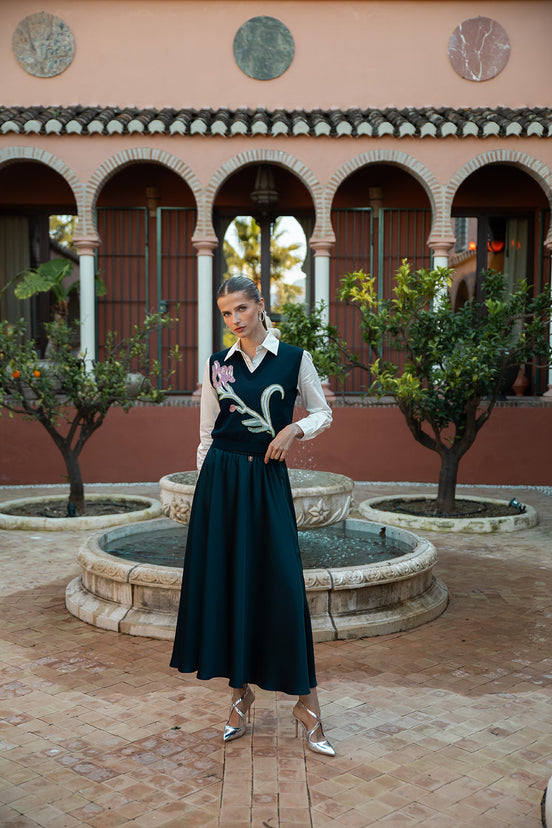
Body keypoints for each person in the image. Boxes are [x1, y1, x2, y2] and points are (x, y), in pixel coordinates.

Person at [170, 275, 335, 756]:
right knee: (231, 589)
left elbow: (323, 412)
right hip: (221, 483)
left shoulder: (294, 358)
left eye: (241, 309)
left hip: (266, 482)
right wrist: (206, 498)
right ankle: (240, 696)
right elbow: (206, 435)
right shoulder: (217, 365)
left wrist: (294, 430)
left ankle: (307, 705)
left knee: (281, 587)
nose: (235, 320)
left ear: (261, 305)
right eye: (226, 313)